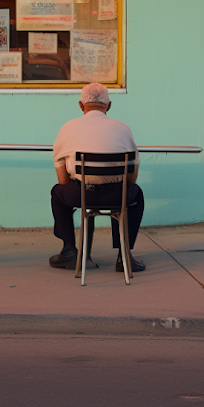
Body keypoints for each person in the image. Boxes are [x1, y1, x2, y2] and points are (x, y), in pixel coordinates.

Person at [49, 83, 145, 272]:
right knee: (135, 194)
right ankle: (124, 254)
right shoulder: (123, 129)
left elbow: (63, 181)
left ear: (80, 105)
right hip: (117, 195)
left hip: (80, 194)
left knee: (57, 193)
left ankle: (69, 250)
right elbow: (131, 178)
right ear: (108, 105)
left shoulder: (68, 128)